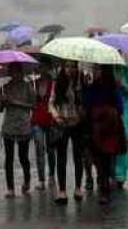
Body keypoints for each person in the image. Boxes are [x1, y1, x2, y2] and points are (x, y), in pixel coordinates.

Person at [83, 65, 125, 205]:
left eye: (99, 69)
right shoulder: (91, 87)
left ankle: (104, 189)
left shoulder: (113, 88)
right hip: (94, 128)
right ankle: (102, 184)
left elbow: (120, 108)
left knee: (106, 159)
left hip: (109, 129)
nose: (95, 72)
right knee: (97, 158)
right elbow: (86, 103)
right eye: (95, 69)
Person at [49, 60, 85, 205]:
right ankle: (62, 190)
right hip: (62, 123)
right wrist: (57, 116)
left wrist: (79, 114)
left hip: (76, 123)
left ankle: (78, 187)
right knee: (61, 157)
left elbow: (85, 103)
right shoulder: (58, 82)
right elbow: (51, 102)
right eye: (67, 66)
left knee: (78, 156)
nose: (69, 69)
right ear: (63, 68)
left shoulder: (81, 82)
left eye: (72, 67)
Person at [0, 63, 35, 198]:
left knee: (23, 157)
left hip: (24, 126)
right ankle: (10, 188)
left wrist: (15, 102)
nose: (15, 74)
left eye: (17, 71)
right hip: (8, 126)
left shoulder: (28, 87)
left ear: (21, 72)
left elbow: (33, 106)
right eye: (12, 72)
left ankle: (27, 179)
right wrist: (2, 101)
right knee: (9, 158)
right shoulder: (4, 88)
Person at [31, 60, 56, 190]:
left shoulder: (54, 84)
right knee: (39, 148)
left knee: (50, 149)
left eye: (45, 66)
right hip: (36, 120)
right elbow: (28, 102)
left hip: (51, 120)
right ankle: (41, 179)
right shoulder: (33, 84)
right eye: (41, 66)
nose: (42, 69)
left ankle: (52, 174)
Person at [113, 63, 128, 189]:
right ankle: (113, 172)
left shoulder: (126, 69)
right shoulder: (105, 67)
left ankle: (121, 174)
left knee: (126, 140)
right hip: (110, 109)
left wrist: (123, 85)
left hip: (126, 108)